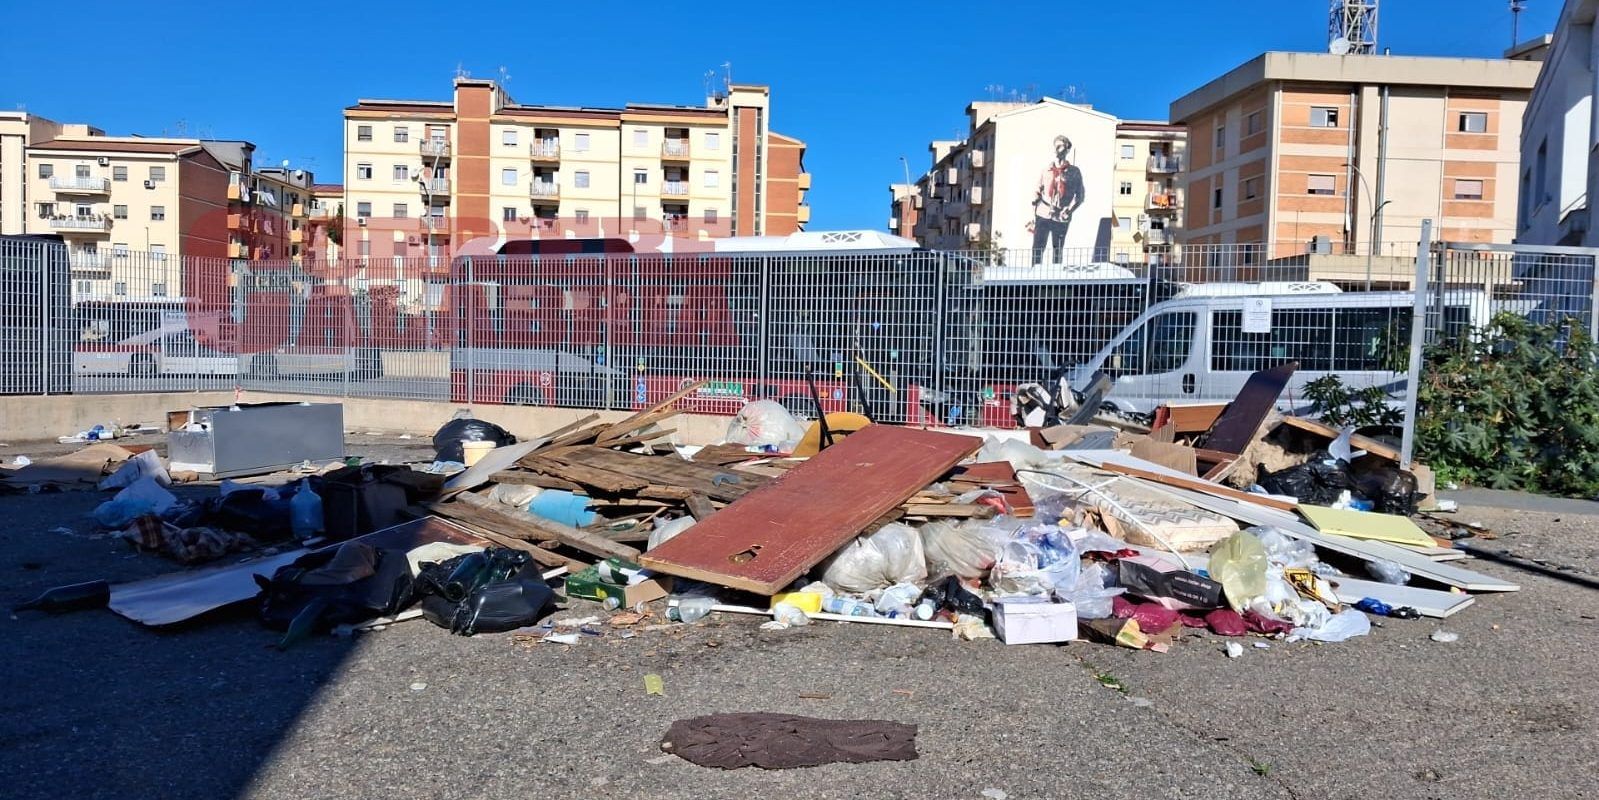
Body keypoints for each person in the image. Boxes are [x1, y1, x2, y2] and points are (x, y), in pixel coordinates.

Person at [1031, 135, 1085, 265]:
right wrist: (1034, 213)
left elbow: (1080, 196)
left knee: (1058, 248)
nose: (1057, 149)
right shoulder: (1046, 170)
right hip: (1043, 213)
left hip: (1061, 216)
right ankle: (1034, 275)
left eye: (1060, 146)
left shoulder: (1074, 172)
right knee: (1038, 246)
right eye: (1055, 146)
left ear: (1067, 149)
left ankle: (1056, 278)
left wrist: (1069, 210)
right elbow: (1036, 193)